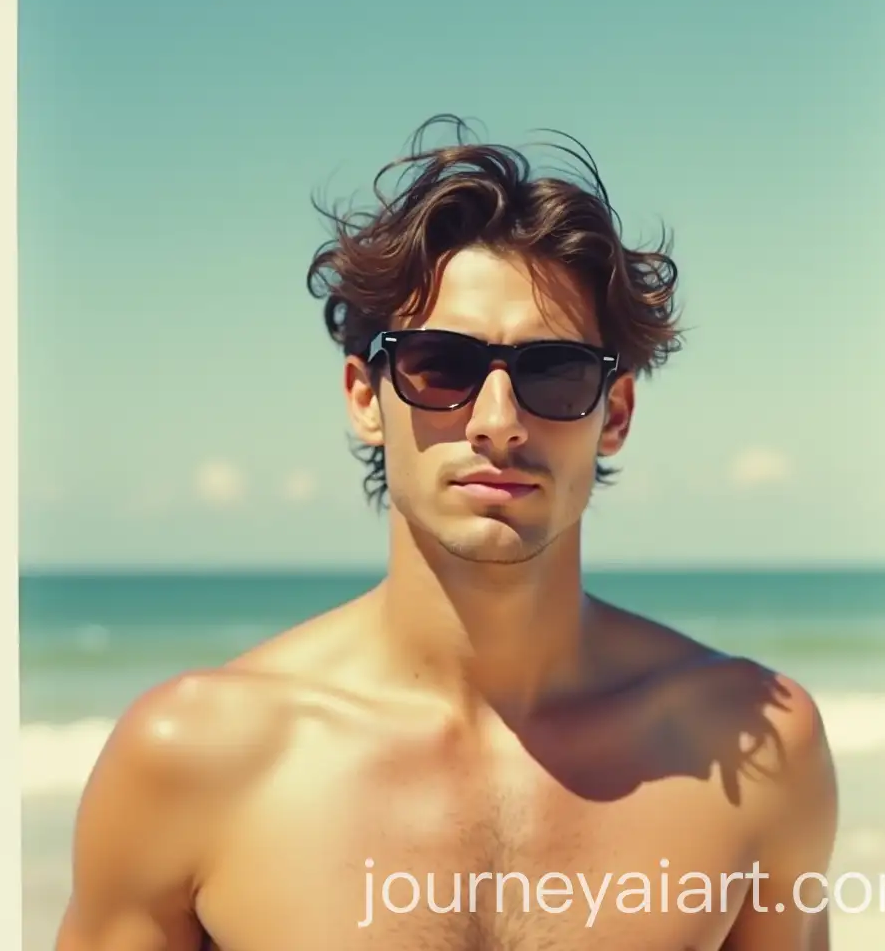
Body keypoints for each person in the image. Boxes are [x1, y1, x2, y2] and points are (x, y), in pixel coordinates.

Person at [55, 115, 838, 950]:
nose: (498, 423)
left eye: (555, 371)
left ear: (615, 413)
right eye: (442, 366)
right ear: (366, 396)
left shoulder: (753, 750)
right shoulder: (193, 758)